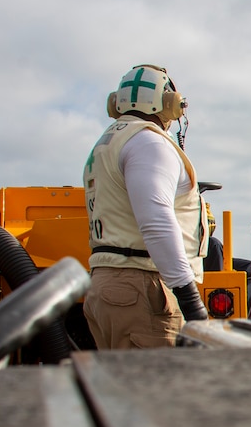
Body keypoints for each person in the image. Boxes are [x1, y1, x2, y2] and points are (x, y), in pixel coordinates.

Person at [83, 64, 210, 349]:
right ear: (168, 103)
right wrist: (191, 303)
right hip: (141, 285)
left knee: (124, 387)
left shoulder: (108, 143)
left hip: (108, 282)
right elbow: (156, 222)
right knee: (158, 389)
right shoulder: (149, 143)